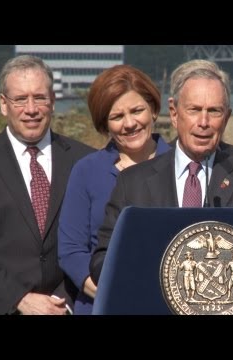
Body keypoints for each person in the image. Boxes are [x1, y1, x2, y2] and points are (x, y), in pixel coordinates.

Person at [90, 59, 233, 284]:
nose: (204, 122)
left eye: (214, 111)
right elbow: (101, 263)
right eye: (194, 110)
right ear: (174, 113)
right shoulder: (133, 183)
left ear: (226, 117)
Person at [0, 55, 94, 315]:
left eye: (39, 97)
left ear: (52, 101)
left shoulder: (84, 161)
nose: (31, 109)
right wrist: (18, 299)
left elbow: (94, 240)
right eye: (20, 99)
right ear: (4, 105)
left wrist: (62, 303)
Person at [58, 65, 170, 314]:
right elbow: (72, 251)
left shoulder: (182, 165)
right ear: (104, 123)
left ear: (152, 110)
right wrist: (115, 292)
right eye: (117, 117)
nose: (129, 123)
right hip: (102, 303)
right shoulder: (86, 171)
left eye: (137, 110)